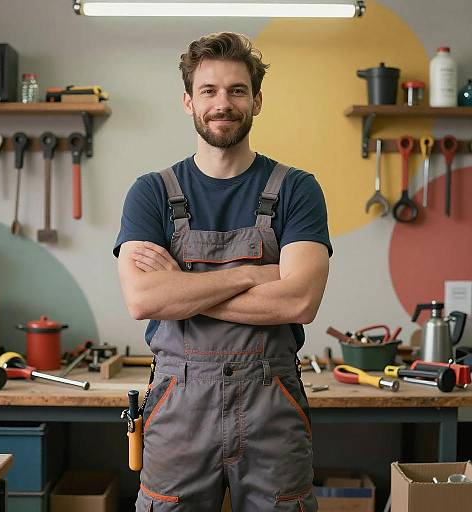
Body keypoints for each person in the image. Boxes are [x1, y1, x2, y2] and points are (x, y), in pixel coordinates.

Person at [114, 31, 332, 512]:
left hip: (271, 401)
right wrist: (254, 274)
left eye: (237, 90)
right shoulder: (150, 193)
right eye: (209, 91)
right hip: (178, 404)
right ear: (188, 100)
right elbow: (144, 300)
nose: (223, 103)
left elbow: (299, 301)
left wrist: (182, 283)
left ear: (256, 101)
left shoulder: (297, 189)